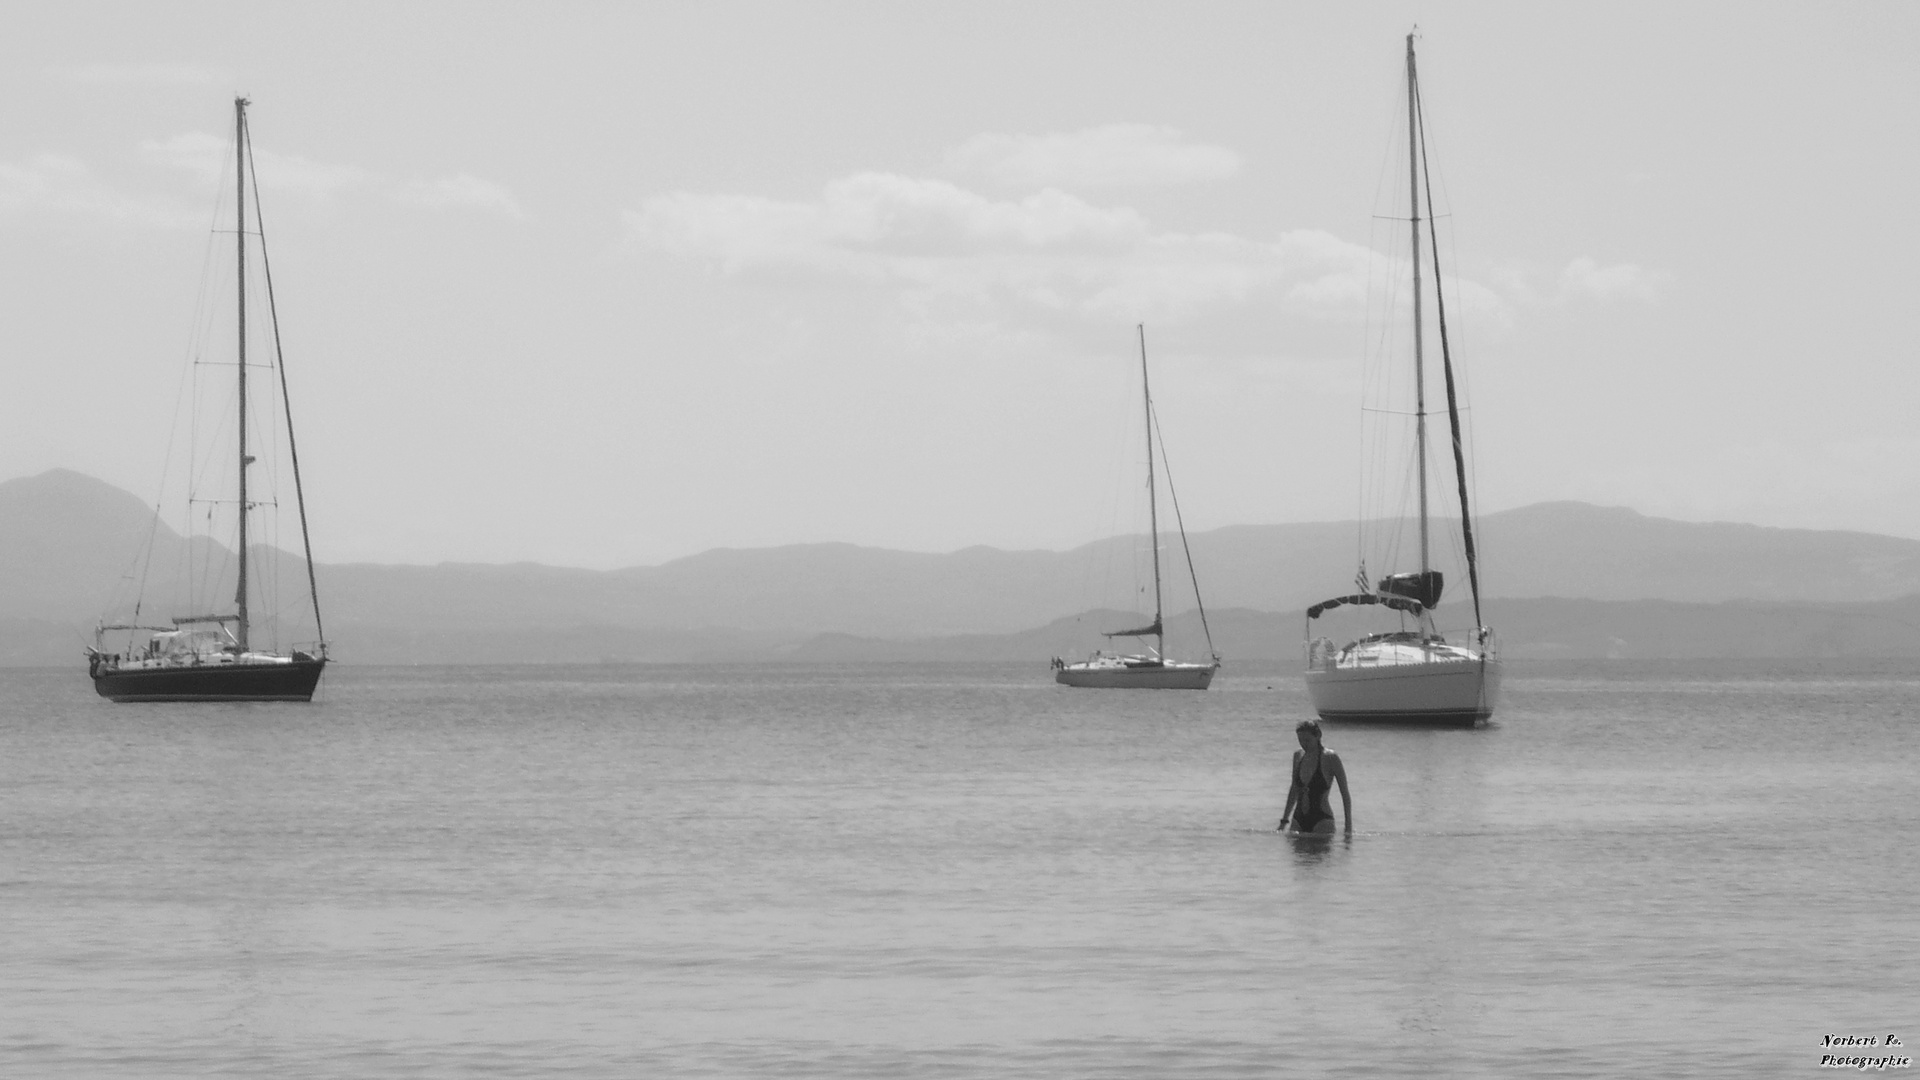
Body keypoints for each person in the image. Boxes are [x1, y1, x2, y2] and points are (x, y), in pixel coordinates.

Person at [1279, 719, 1351, 834]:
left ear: (1318, 735)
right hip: (1298, 820)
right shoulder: (1298, 756)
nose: (1304, 744)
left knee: (1320, 851)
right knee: (1295, 852)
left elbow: (1345, 794)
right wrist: (1284, 821)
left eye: (1307, 740)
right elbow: (1294, 790)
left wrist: (1348, 829)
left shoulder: (1330, 758)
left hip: (1322, 820)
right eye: (1300, 740)